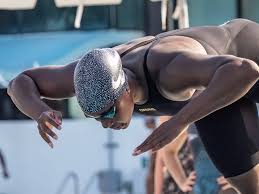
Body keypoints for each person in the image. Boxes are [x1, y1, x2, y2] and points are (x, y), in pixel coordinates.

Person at [7, 18, 259, 193]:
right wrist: (39, 111)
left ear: (125, 88)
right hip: (212, 93)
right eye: (94, 117)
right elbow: (21, 82)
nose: (106, 123)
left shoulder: (169, 68)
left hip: (247, 51)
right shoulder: (89, 74)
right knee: (246, 186)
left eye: (109, 111)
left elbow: (245, 70)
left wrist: (178, 122)